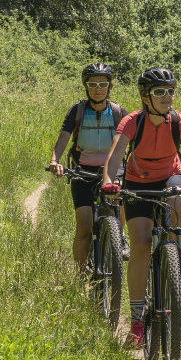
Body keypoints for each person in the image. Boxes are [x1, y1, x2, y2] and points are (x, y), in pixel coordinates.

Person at [101, 67, 181, 346]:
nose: (168, 96)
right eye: (160, 92)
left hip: (171, 175)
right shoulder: (133, 122)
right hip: (138, 182)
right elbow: (115, 156)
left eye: (171, 91)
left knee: (179, 208)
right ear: (145, 97)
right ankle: (136, 321)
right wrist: (109, 181)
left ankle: (180, 262)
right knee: (141, 246)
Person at [48, 63, 128, 271]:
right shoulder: (78, 111)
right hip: (82, 170)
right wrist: (54, 161)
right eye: (93, 84)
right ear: (86, 86)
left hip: (113, 170)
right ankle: (80, 277)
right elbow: (64, 138)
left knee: (119, 199)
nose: (98, 88)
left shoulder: (119, 113)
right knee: (84, 228)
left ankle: (120, 236)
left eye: (103, 84)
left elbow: (132, 145)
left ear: (110, 87)